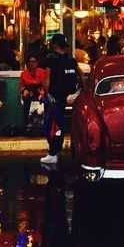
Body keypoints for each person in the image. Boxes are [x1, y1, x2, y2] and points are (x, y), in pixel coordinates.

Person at [41, 34, 82, 166]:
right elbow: (80, 74)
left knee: (50, 124)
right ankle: (55, 152)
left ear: (55, 44)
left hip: (54, 97)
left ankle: (54, 153)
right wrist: (84, 90)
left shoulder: (51, 58)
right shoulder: (69, 58)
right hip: (65, 96)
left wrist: (47, 94)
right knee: (59, 124)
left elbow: (47, 77)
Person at [19, 54, 47, 133]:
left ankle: (41, 128)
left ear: (37, 63)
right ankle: (28, 127)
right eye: (30, 61)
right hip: (29, 93)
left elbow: (45, 85)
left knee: (45, 101)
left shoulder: (42, 72)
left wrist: (42, 93)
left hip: (40, 93)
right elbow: (21, 86)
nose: (32, 63)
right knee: (26, 100)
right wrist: (24, 90)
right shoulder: (24, 74)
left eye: (34, 61)